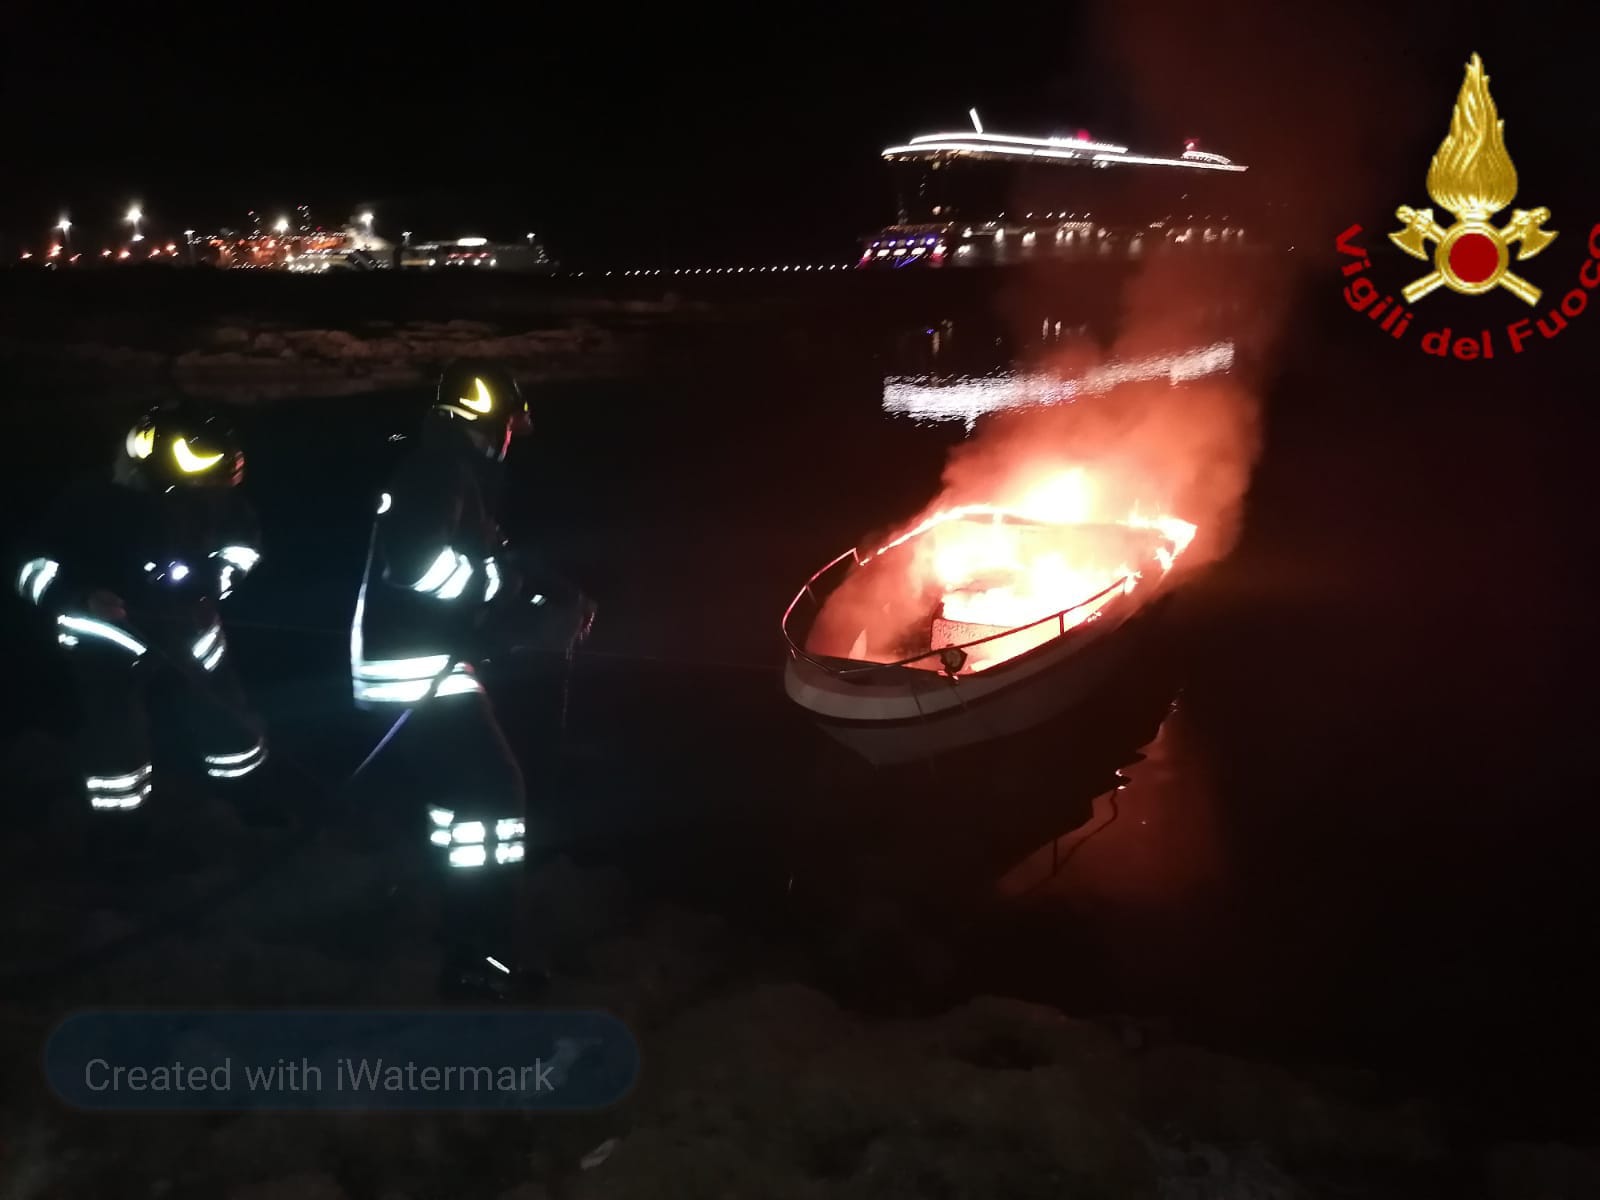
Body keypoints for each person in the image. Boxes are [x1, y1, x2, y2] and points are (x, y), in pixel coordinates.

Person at [351, 360, 592, 999]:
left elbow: (472, 561)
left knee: (460, 806)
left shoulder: (453, 473)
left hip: (416, 659)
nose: (514, 437)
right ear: (491, 420)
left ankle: (458, 930)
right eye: (511, 424)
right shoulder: (440, 471)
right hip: (415, 666)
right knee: (494, 797)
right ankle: (482, 952)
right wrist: (496, 585)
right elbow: (418, 566)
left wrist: (539, 589)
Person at [15, 401, 269, 843]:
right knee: (116, 733)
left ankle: (248, 798)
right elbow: (33, 568)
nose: (207, 486)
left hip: (190, 625)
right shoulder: (88, 501)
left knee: (225, 713)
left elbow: (241, 549)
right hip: (104, 635)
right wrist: (81, 598)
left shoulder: (218, 499)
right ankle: (120, 829)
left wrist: (213, 583)